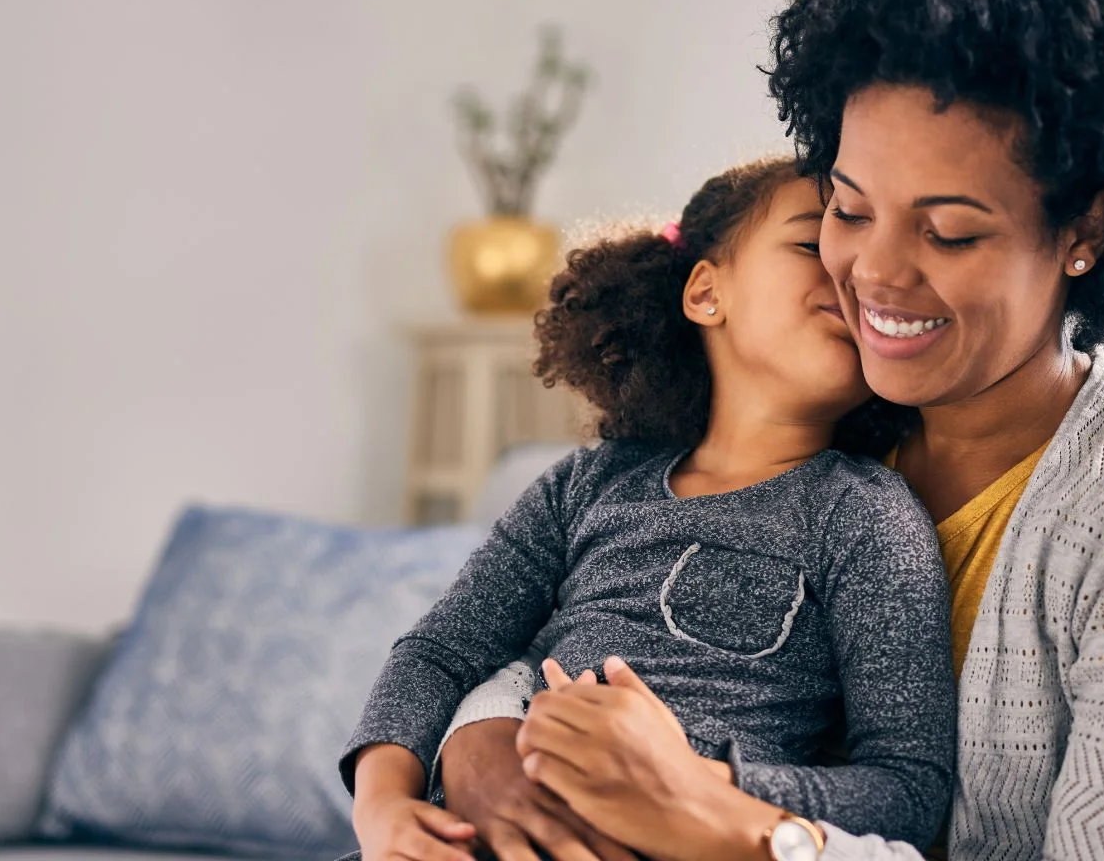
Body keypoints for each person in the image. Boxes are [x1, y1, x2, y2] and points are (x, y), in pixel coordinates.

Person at [431, 0, 1104, 860]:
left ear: (1086, 232)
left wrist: (734, 825)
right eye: (847, 208)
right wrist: (483, 744)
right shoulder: (815, 417)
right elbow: (568, 616)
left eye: (950, 231)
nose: (870, 275)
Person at [342, 158, 958, 861]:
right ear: (705, 292)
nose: (854, 276)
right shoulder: (585, 485)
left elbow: (908, 789)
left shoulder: (867, 518)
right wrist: (384, 807)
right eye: (813, 245)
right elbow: (440, 653)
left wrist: (699, 783)